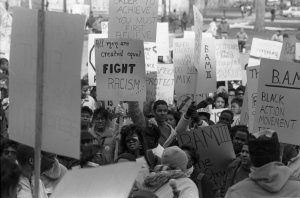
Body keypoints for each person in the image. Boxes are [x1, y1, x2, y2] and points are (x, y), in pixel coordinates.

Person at [225, 130, 300, 198]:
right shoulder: (297, 189)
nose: (244, 154)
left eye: (247, 152)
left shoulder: (237, 192)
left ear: (252, 157)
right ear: (278, 153)